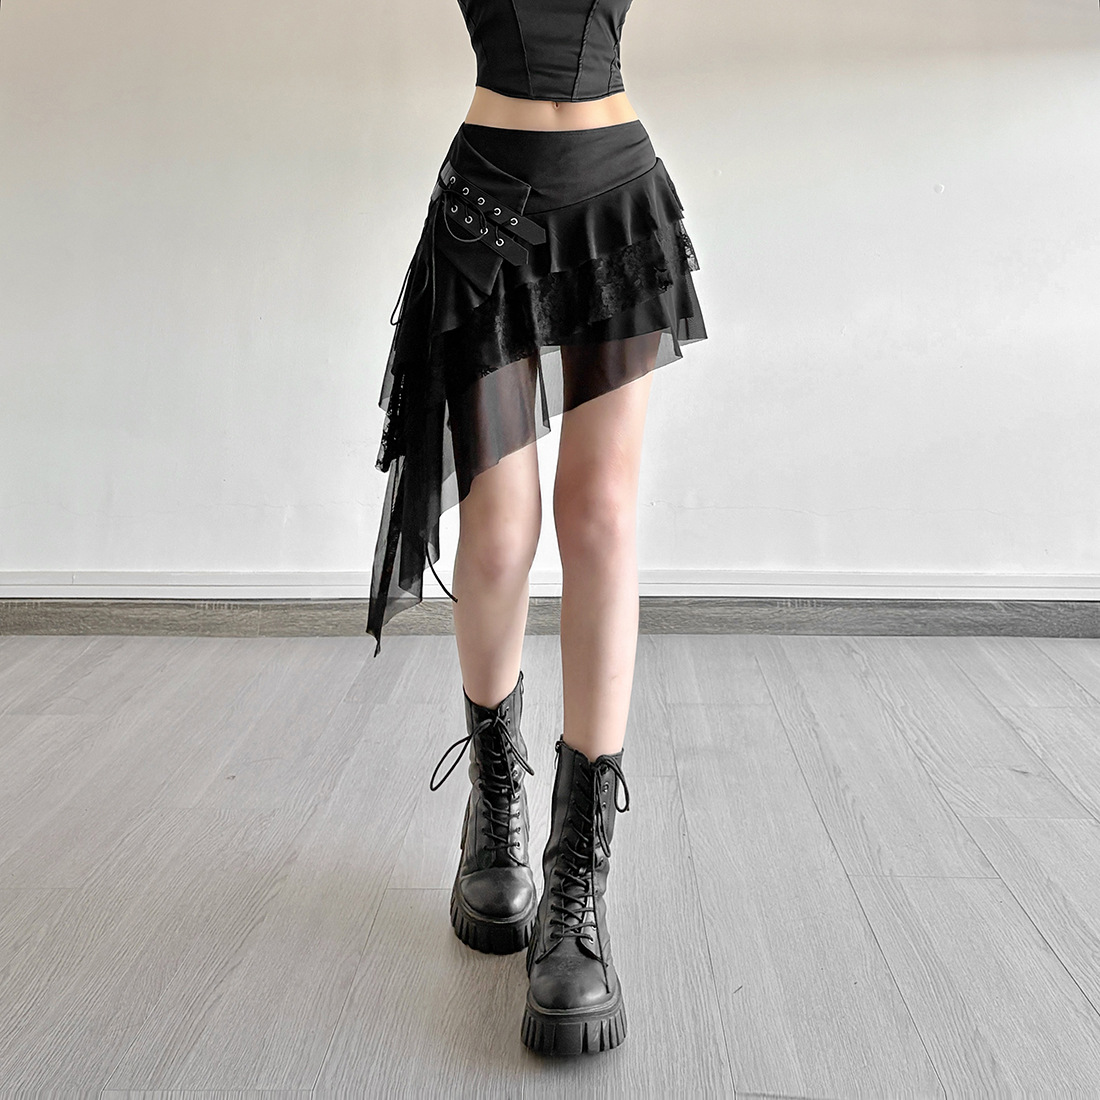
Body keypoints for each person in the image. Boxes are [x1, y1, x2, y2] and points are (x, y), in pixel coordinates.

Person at [367, 0, 708, 1056]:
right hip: (489, 201)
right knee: (501, 527)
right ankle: (495, 804)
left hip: (615, 194)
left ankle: (576, 877)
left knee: (599, 516)